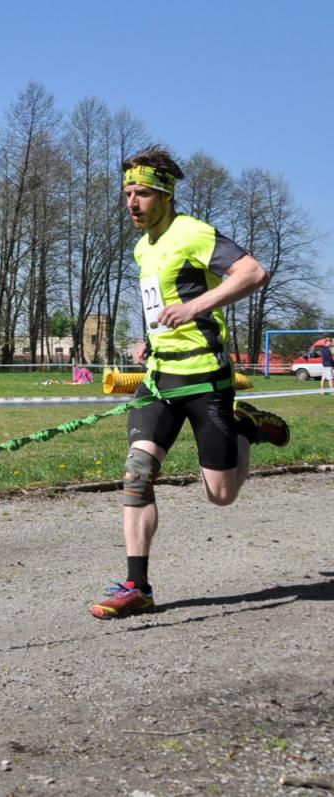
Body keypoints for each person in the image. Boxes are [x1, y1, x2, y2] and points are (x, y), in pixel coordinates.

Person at [89, 146, 291, 620]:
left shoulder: (193, 232)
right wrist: (148, 341)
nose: (132, 203)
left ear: (165, 195)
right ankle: (137, 586)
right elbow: (164, 304)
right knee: (137, 474)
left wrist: (198, 308)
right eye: (127, 194)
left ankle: (245, 428)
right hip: (160, 378)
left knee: (221, 495)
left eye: (141, 193)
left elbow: (253, 272)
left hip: (205, 380)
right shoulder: (143, 247)